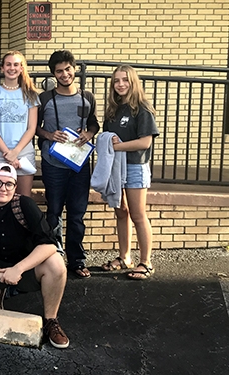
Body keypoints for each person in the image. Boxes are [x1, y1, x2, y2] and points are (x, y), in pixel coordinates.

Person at [0, 163, 69, 349]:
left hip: (25, 266)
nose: (3, 188)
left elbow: (49, 243)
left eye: (8, 184)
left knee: (56, 264)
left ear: (15, 187)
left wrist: (18, 269)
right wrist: (0, 274)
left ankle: (51, 320)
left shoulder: (25, 205)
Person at [36, 50, 100, 278]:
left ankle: (76, 260)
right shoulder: (44, 98)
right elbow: (34, 127)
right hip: (53, 163)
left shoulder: (87, 97)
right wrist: (49, 135)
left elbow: (94, 123)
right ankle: (53, 258)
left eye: (68, 69)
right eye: (59, 71)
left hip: (79, 165)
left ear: (75, 69)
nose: (64, 74)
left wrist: (89, 133)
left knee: (76, 214)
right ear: (54, 74)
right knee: (53, 212)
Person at [100, 65, 159, 280]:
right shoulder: (113, 109)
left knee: (138, 215)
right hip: (116, 167)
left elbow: (145, 142)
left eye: (125, 80)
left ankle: (146, 262)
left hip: (135, 166)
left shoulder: (142, 108)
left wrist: (116, 146)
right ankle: (125, 257)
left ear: (133, 82)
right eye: (116, 81)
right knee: (120, 212)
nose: (120, 84)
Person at [0, 50, 40, 197]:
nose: (12, 68)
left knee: (23, 199)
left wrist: (15, 153)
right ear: (2, 68)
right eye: (8, 64)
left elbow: (31, 128)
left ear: (21, 68)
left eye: (16, 64)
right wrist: (7, 153)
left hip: (23, 153)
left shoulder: (31, 94)